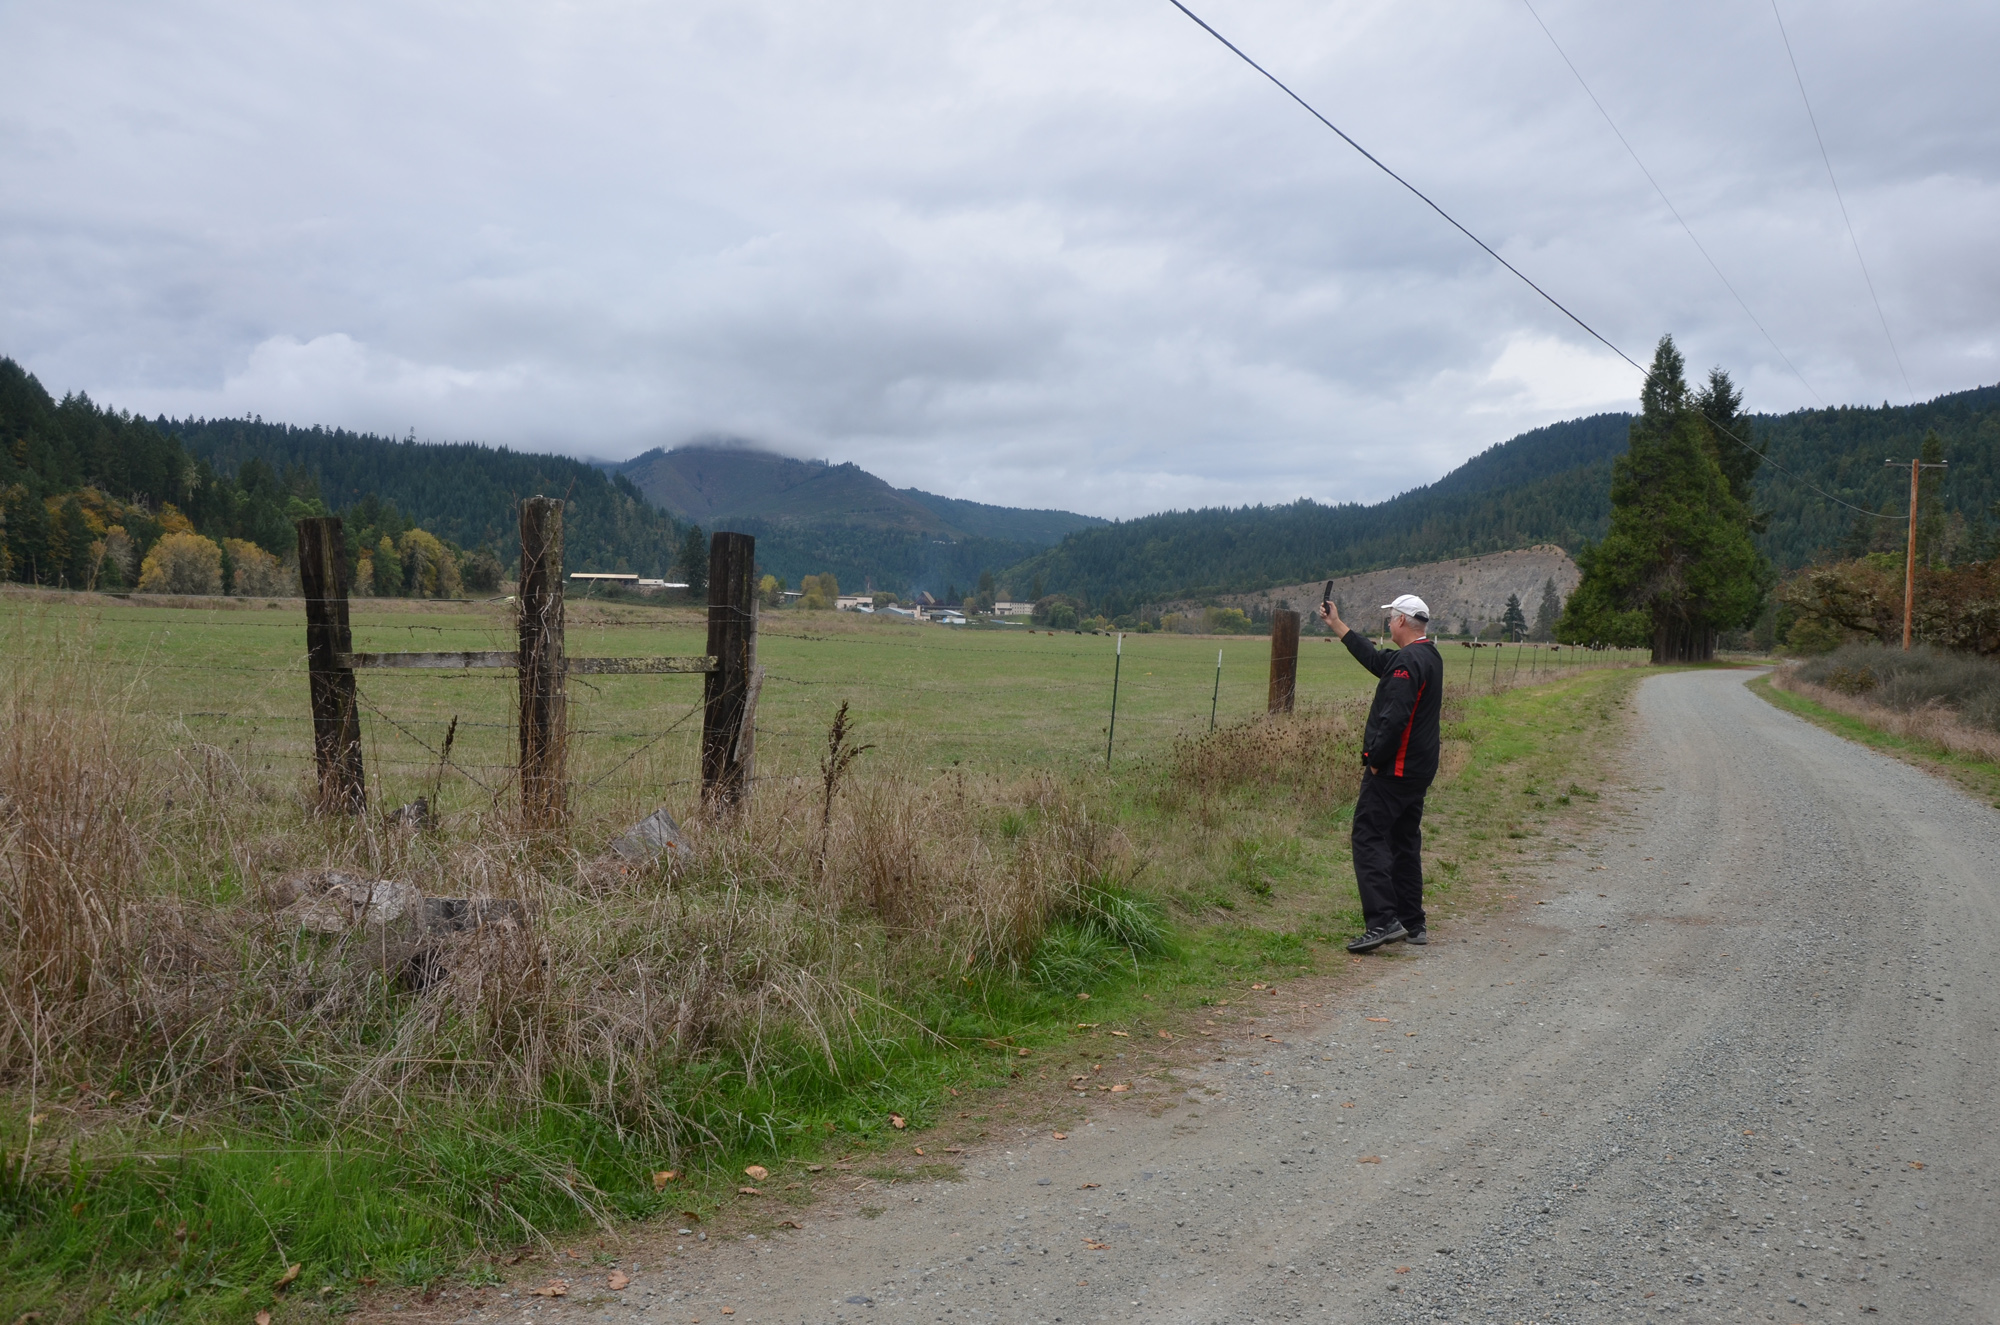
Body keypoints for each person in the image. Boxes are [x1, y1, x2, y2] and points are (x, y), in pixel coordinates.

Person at [1318, 593, 1444, 953]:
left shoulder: (1407, 663)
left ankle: (1382, 921)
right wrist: (1336, 624)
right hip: (1418, 770)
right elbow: (1376, 659)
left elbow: (1395, 717)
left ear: (1401, 620)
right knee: (1404, 841)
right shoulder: (1427, 655)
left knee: (1367, 836)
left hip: (1394, 770)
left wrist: (1374, 757)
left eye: (1390, 618)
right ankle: (1412, 921)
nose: (1388, 624)